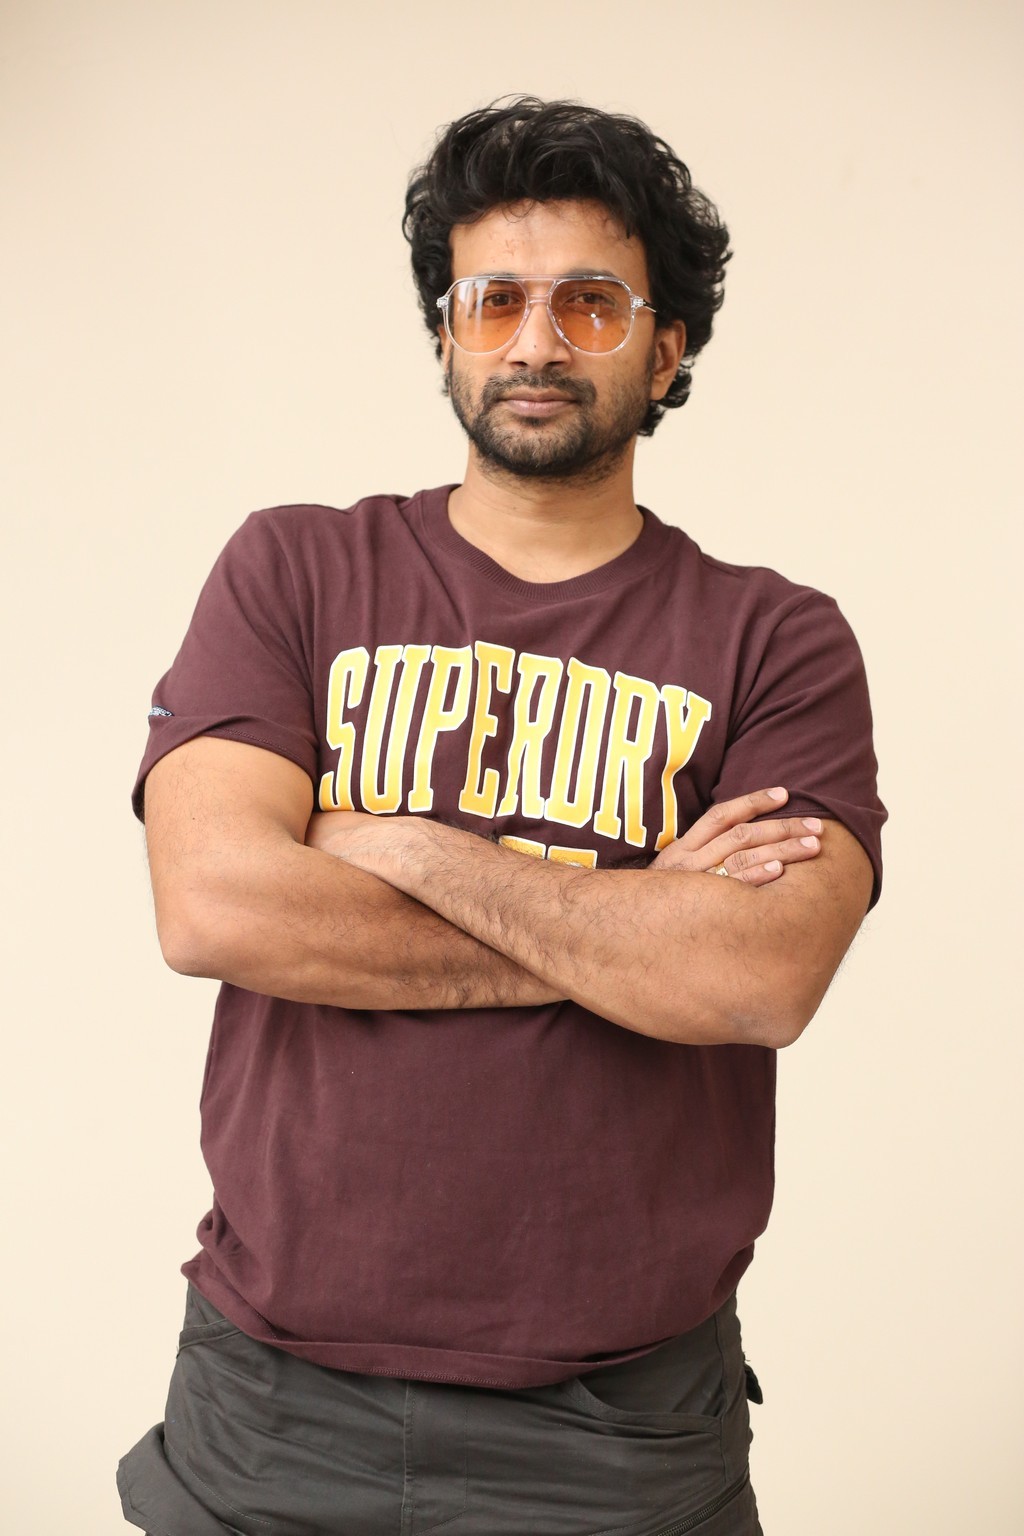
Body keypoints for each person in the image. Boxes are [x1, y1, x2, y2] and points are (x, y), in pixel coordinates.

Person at [117, 98, 885, 1536]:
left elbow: (757, 976)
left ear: (666, 349)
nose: (536, 343)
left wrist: (396, 842)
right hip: (275, 1400)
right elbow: (214, 905)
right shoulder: (295, 571)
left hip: (620, 1429)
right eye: (496, 302)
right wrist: (636, 919)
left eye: (591, 304)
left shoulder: (775, 640)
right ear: (448, 337)